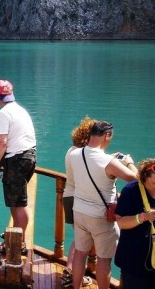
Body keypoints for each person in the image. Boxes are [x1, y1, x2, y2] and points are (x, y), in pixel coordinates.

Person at [65, 121, 137, 289]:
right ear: (107, 135)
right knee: (104, 259)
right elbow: (134, 179)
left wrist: (110, 158)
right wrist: (128, 162)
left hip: (79, 211)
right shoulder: (108, 162)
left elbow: (93, 161)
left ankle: (76, 287)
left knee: (80, 254)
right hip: (100, 217)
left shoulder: (75, 154)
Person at [0, 79, 36, 247]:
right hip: (29, 156)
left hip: (17, 158)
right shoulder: (21, 110)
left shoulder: (4, 113)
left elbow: (3, 141)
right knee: (15, 200)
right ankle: (15, 237)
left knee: (20, 202)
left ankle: (20, 243)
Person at [61, 116, 95, 287]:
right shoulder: (83, 155)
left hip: (68, 195)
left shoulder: (71, 151)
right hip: (79, 198)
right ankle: (74, 274)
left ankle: (70, 269)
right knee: (83, 240)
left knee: (79, 238)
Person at [114, 158, 155, 288]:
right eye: (154, 183)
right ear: (144, 177)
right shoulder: (131, 191)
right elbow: (120, 222)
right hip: (134, 259)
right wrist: (143, 217)